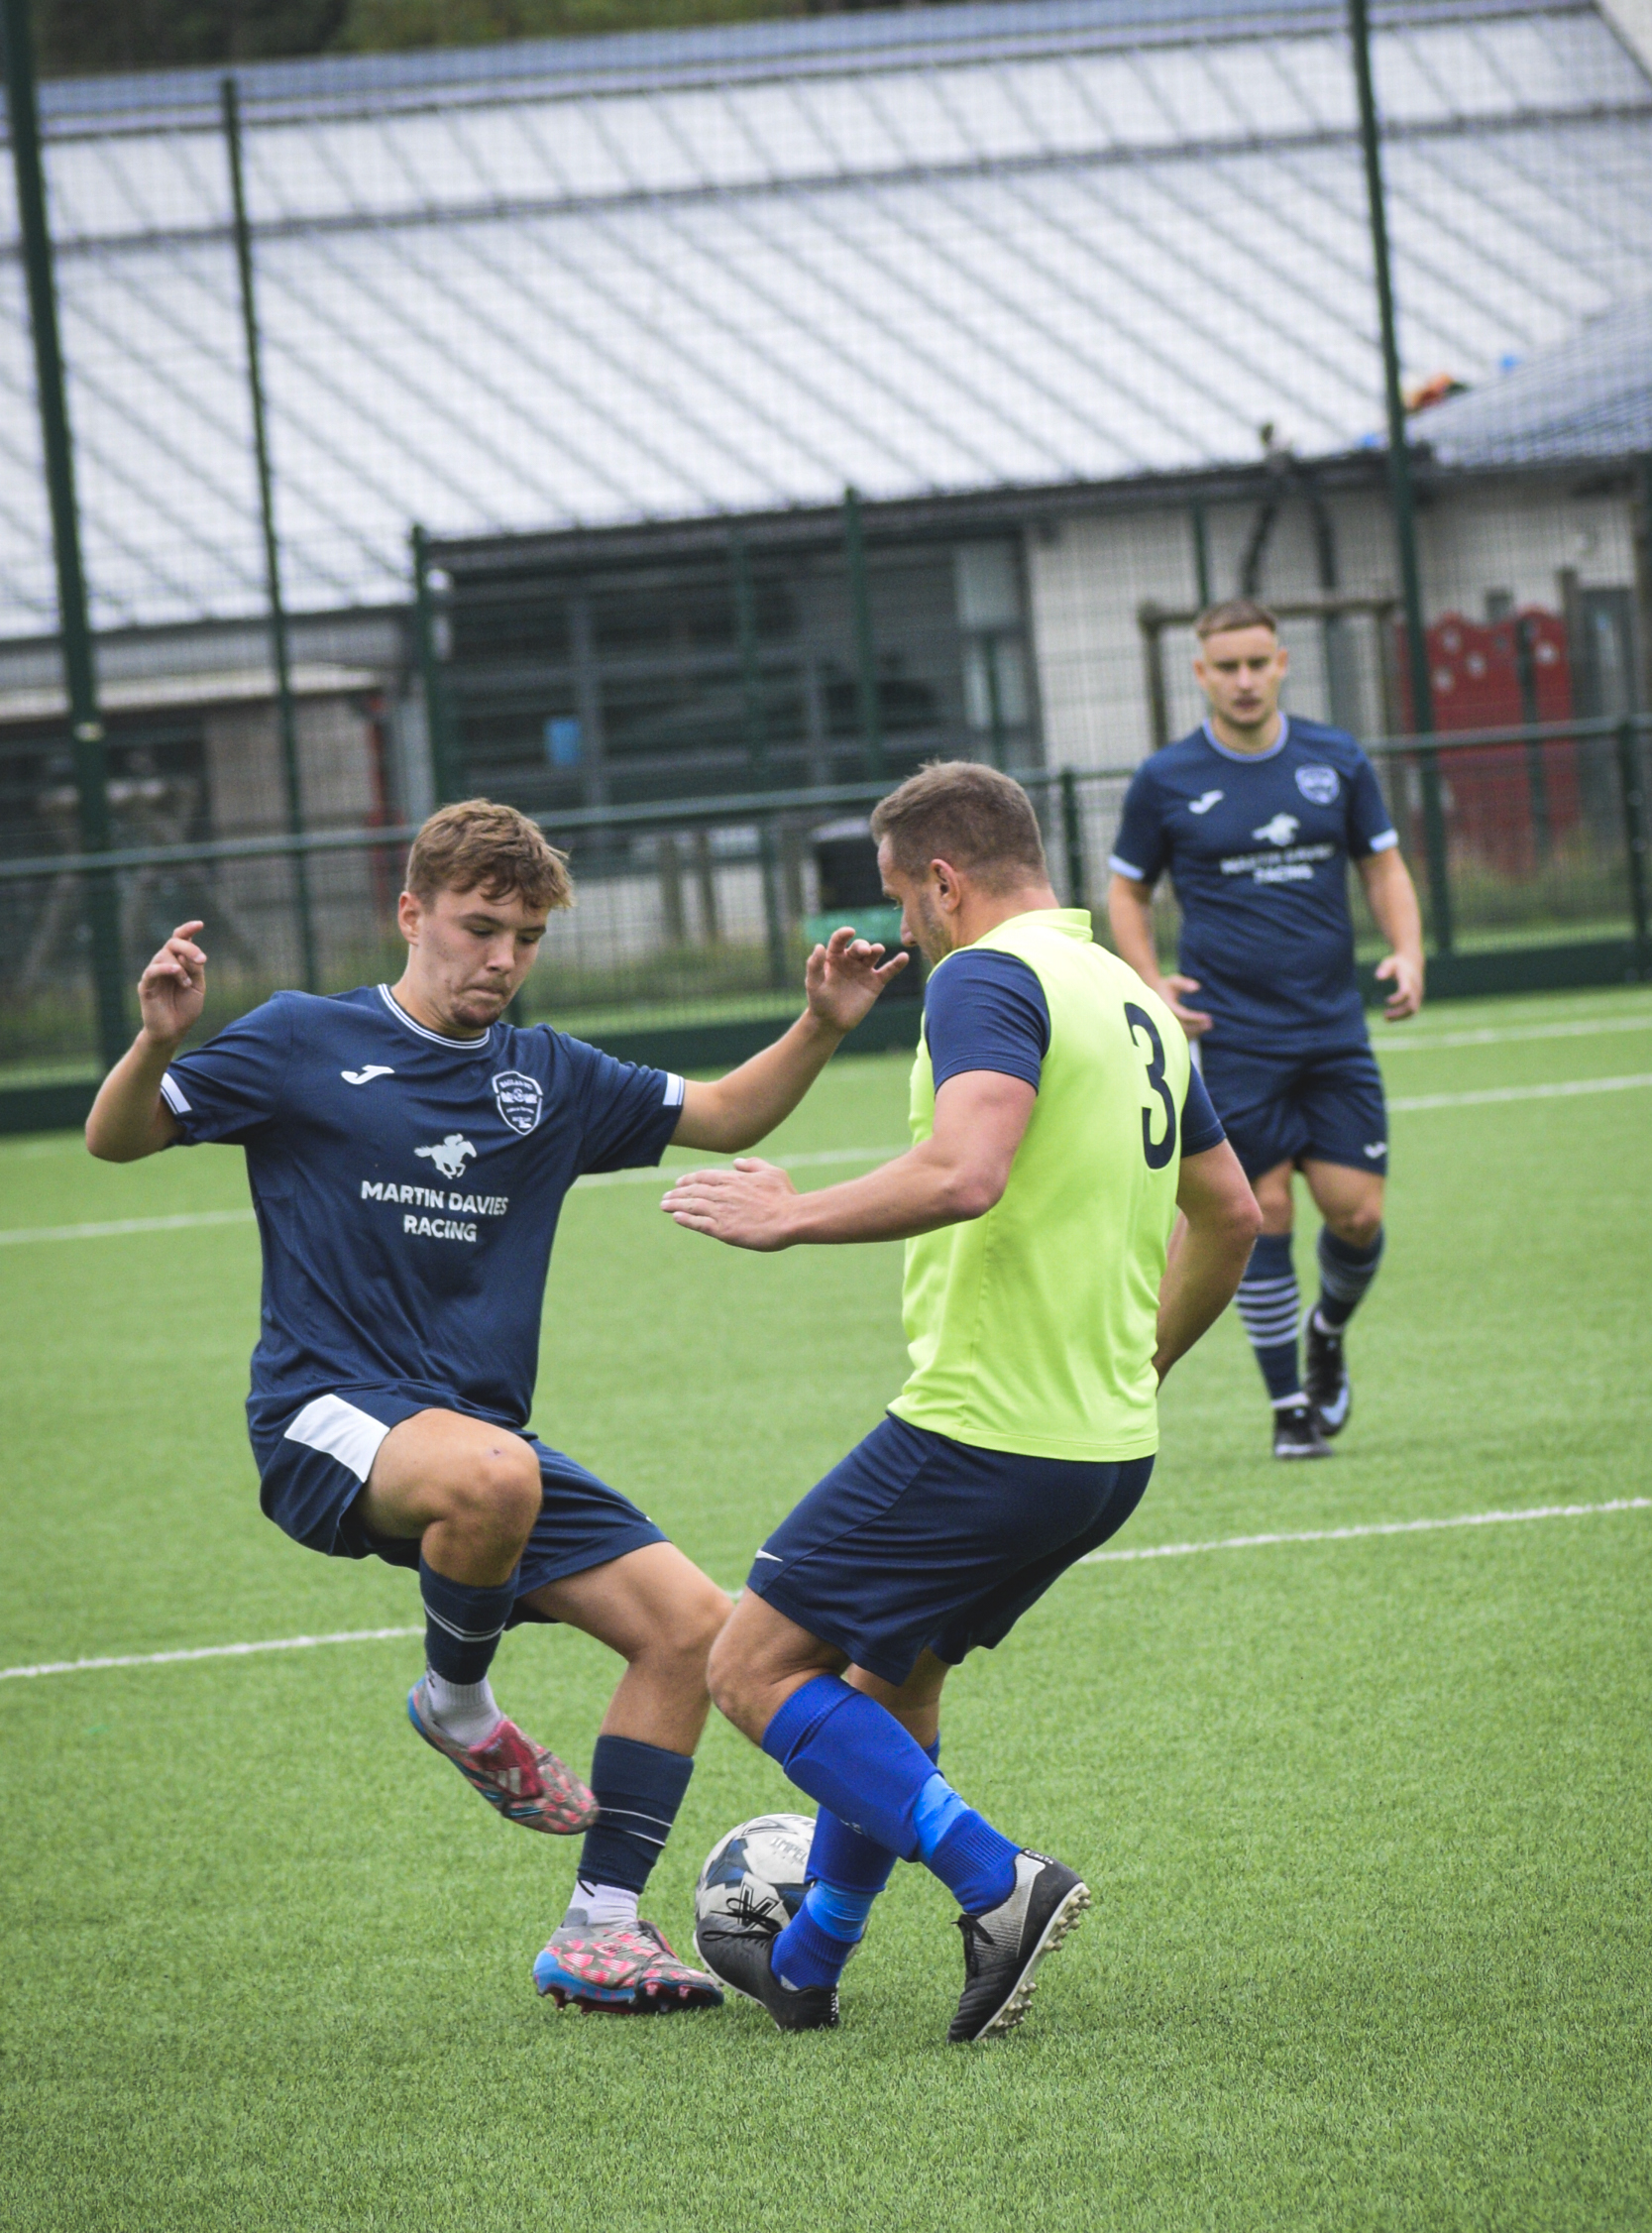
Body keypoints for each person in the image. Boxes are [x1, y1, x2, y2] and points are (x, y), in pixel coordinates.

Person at [85, 799, 907, 2016]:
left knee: (697, 1627)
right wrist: (155, 1042)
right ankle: (458, 1703)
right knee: (494, 1477)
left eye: (525, 937)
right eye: (478, 929)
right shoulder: (306, 1039)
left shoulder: (548, 1076)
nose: (501, 960)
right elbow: (118, 1139)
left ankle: (599, 1930)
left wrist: (819, 1025)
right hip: (328, 1417)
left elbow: (725, 1113)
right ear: (410, 913)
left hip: (476, 1445)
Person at [661, 762, 1260, 2043]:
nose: (906, 933)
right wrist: (1136, 1366)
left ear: (943, 878)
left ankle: (997, 1881)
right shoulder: (1127, 996)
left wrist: (787, 1216)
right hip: (1100, 1447)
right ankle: (811, 1958)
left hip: (983, 1425)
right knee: (890, 1678)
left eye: (902, 900)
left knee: (752, 1664)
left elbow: (967, 1169)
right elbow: (1235, 1217)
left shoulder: (990, 974)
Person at [1107, 599, 1426, 1459]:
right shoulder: (1165, 777)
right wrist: (1147, 977)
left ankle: (1326, 1332)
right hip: (1230, 1031)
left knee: (1354, 1215)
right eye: (1227, 667)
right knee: (1265, 1209)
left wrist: (1407, 950)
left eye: (1258, 663)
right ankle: (1289, 1407)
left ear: (1281, 663)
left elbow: (1383, 864)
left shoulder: (1335, 758)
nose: (1244, 681)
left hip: (1331, 1028)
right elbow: (1126, 891)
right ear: (1200, 673)